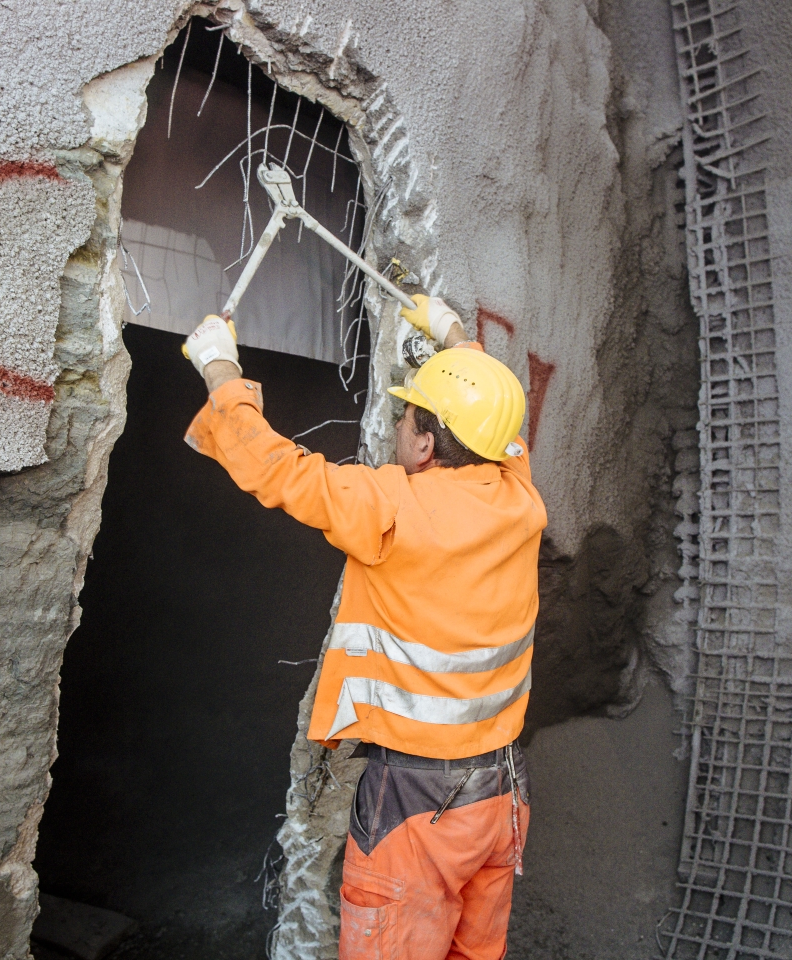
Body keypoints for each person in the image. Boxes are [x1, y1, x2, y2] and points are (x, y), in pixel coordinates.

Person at [182, 296, 546, 960]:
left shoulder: (390, 505)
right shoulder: (520, 494)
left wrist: (219, 370)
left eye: (407, 417)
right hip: (499, 796)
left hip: (417, 807)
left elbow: (275, 468)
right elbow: (495, 418)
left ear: (428, 443)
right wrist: (453, 334)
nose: (401, 427)